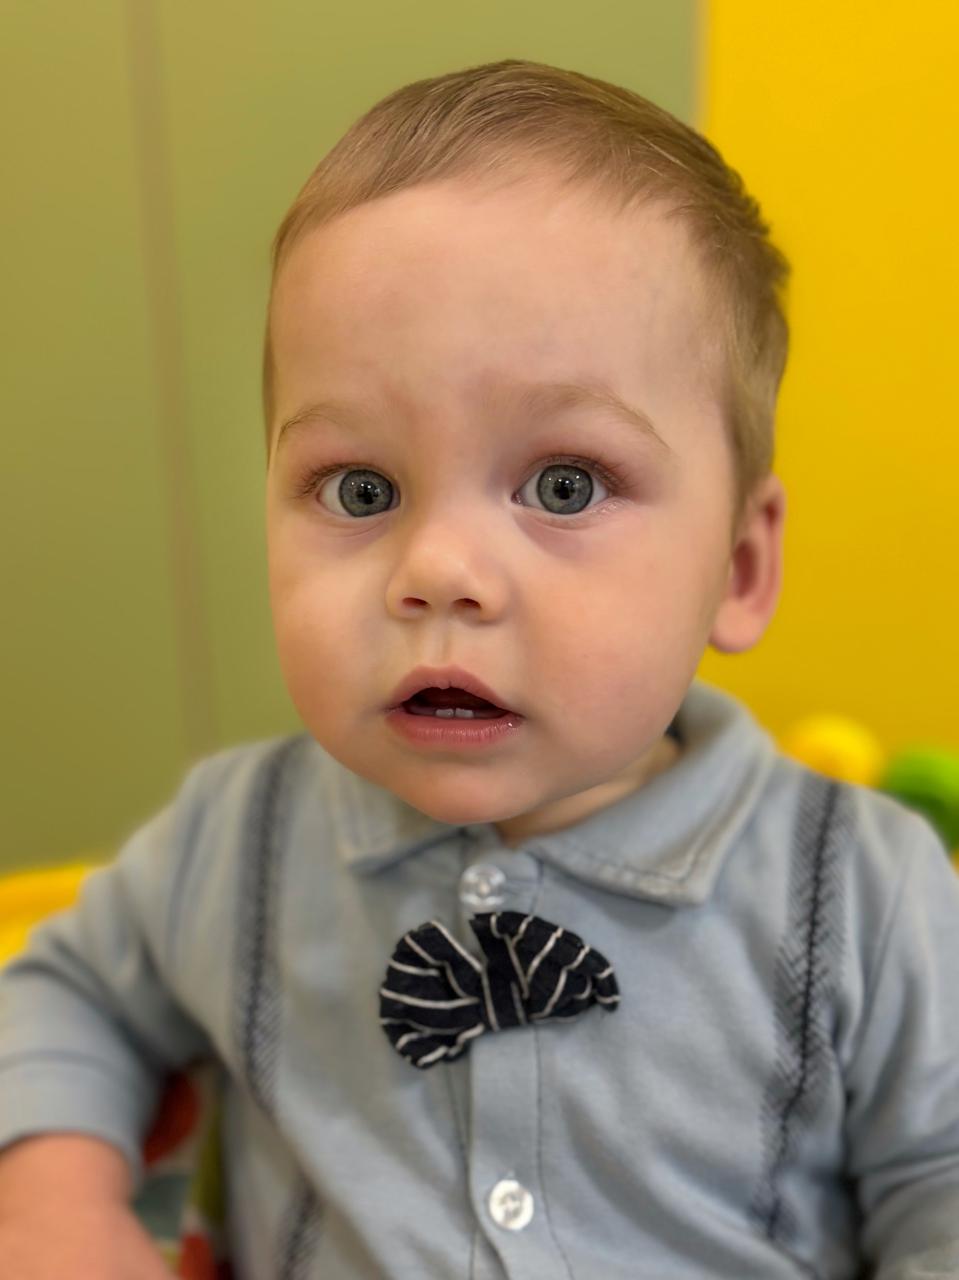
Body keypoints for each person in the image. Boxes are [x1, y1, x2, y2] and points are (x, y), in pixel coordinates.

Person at [1, 57, 957, 1280]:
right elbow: (66, 989)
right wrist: (57, 1195)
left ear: (736, 563)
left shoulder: (862, 893)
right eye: (360, 489)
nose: (438, 570)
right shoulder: (237, 843)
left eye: (562, 484)